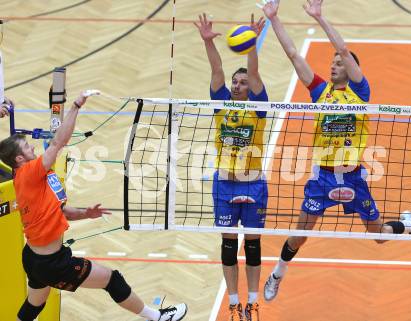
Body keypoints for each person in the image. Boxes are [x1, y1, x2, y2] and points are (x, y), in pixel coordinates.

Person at [261, 0, 411, 302]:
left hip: (353, 179)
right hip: (322, 179)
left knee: (378, 236)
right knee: (299, 236)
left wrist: (320, 18)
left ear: (351, 69)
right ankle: (276, 275)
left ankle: (409, 224)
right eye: (333, 62)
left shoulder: (360, 92)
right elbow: (293, 55)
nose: (334, 64)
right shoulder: (319, 91)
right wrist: (274, 19)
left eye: (340, 62)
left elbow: (343, 47)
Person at [0, 92, 188, 321]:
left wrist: (86, 214)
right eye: (28, 148)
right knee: (112, 279)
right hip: (53, 263)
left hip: (33, 257)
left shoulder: (39, 179)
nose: (33, 148)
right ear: (19, 159)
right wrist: (76, 105)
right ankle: (157, 317)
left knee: (33, 305)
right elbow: (59, 141)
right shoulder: (28, 173)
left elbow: (60, 212)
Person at [194, 13, 268, 321]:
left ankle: (253, 302)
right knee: (227, 245)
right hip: (224, 184)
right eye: (235, 83)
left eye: (242, 82)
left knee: (252, 245)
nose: (237, 85)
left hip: (253, 183)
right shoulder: (221, 103)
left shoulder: (259, 107)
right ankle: (234, 303)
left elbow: (254, 72)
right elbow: (216, 70)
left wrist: (251, 44)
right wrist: (208, 42)